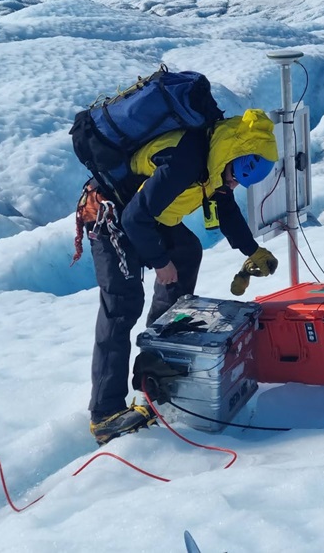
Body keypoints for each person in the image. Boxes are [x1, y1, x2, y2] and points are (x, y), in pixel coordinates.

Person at [85, 107, 280, 444]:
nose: (236, 183)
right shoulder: (187, 161)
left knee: (187, 253)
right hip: (111, 213)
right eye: (241, 174)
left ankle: (158, 358)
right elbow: (133, 219)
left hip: (145, 214)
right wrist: (160, 262)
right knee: (122, 306)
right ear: (235, 155)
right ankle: (105, 414)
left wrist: (252, 251)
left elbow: (225, 206)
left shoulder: (217, 162)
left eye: (245, 180)